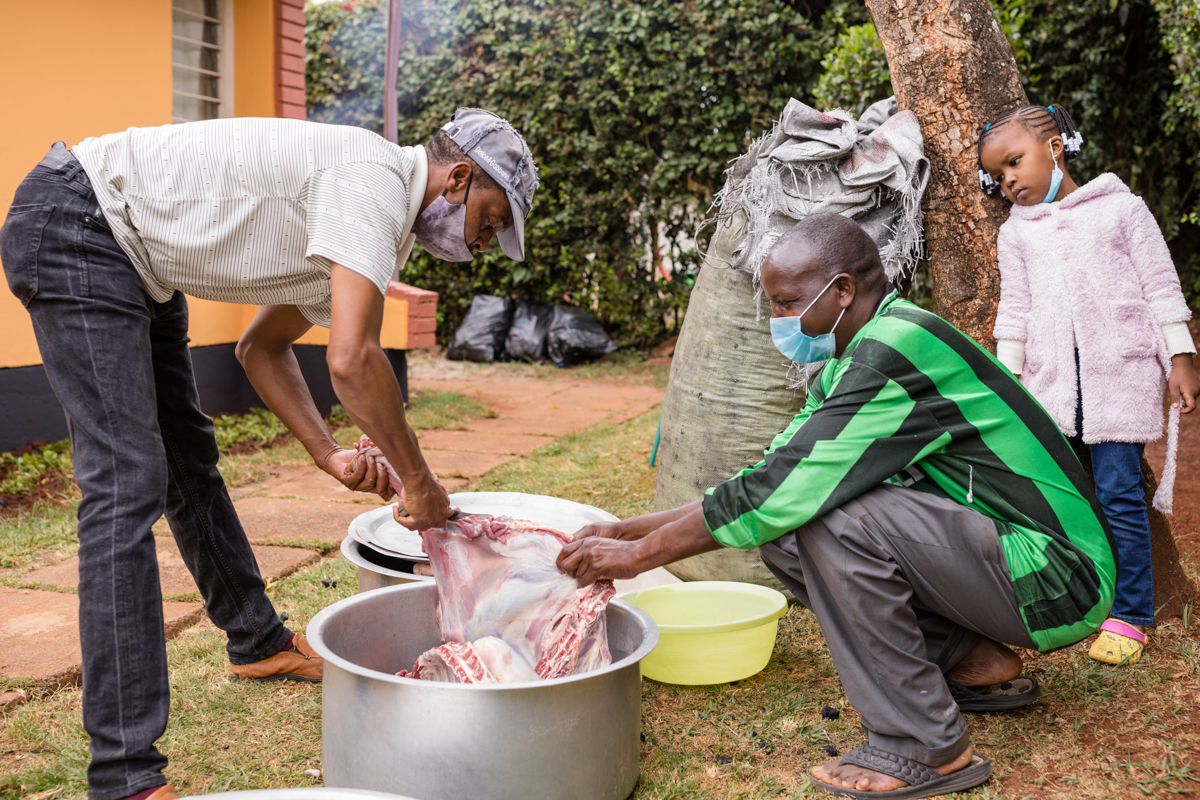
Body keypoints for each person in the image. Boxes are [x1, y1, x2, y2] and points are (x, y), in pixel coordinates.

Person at [0, 107, 537, 800]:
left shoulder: (376, 226)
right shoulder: (371, 180)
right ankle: (125, 775)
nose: (486, 242)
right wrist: (420, 482)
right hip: (79, 223)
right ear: (459, 176)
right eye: (491, 219)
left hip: (134, 259)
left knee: (186, 461)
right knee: (126, 481)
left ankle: (256, 642)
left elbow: (262, 347)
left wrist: (330, 455)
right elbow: (352, 361)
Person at [557, 214, 1117, 799]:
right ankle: (968, 659)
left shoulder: (891, 355)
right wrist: (629, 531)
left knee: (825, 515)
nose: (779, 321)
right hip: (1008, 558)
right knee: (783, 526)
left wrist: (639, 557)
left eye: (787, 302)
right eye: (772, 305)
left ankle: (923, 744)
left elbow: (781, 493)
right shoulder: (853, 360)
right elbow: (769, 477)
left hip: (1058, 576)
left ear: (842, 290)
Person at [977, 104, 1200, 666]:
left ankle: (1131, 613)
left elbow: (1159, 282)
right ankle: (1077, 598)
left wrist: (1181, 355)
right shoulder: (1016, 234)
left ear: (1054, 148)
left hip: (1117, 378)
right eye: (998, 175)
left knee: (1120, 494)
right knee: (1061, 499)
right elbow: (1017, 308)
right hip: (1051, 387)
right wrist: (1009, 375)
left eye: (1014, 162)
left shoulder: (1121, 209)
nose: (1008, 180)